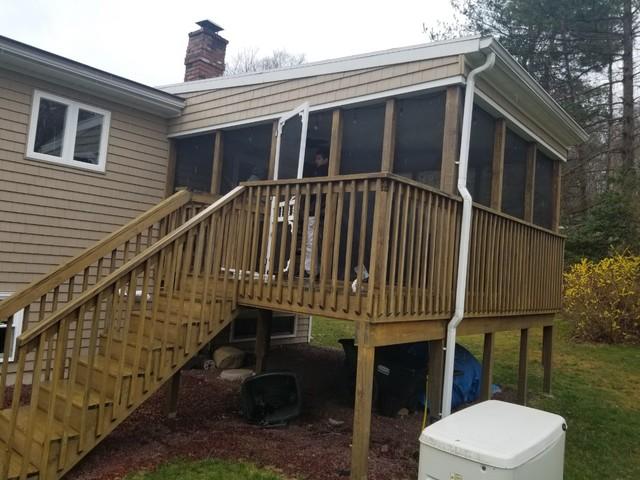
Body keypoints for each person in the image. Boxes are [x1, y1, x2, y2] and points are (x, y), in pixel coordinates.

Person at [302, 148, 329, 276]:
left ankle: (310, 270)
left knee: (310, 240)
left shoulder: (321, 172)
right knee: (313, 240)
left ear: (326, 160)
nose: (316, 161)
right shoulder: (323, 172)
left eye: (318, 159)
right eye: (316, 159)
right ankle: (313, 270)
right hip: (320, 209)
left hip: (316, 209)